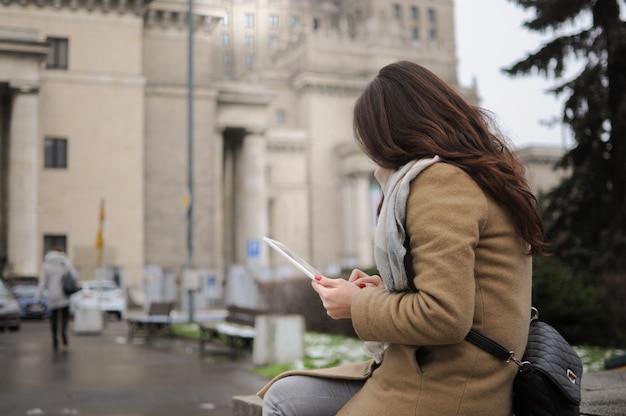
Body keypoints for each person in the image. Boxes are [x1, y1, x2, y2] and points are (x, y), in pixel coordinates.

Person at [259, 61, 547, 415]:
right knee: (284, 395)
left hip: (451, 387)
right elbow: (458, 289)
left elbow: (445, 316)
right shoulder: (474, 173)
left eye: (371, 138)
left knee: (284, 401)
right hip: (441, 372)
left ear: (391, 131)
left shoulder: (441, 182)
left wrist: (356, 305)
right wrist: (380, 292)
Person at [36, 247, 78, 351]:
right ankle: (63, 333)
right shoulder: (64, 262)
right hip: (64, 295)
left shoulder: (46, 265)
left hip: (52, 296)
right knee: (64, 317)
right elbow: (74, 276)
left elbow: (43, 282)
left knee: (54, 319)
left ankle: (54, 339)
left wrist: (37, 297)